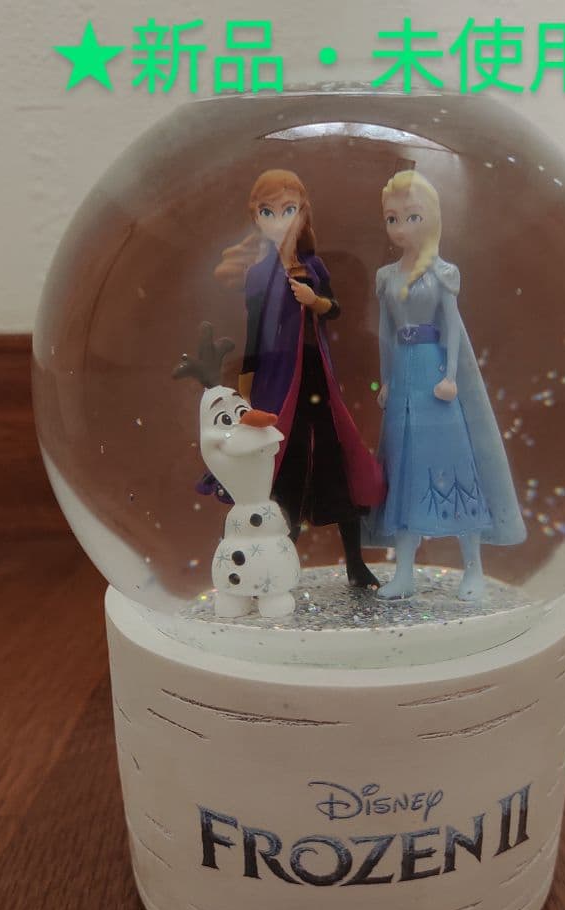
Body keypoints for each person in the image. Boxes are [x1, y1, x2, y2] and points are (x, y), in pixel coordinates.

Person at [213, 169, 384, 589]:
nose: (279, 220)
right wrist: (246, 389)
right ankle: (277, 565)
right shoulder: (258, 275)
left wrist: (315, 300)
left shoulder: (313, 266)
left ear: (303, 214)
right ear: (256, 218)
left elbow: (335, 309)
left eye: (288, 209)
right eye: (268, 211)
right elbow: (254, 335)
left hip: (317, 378)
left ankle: (355, 563)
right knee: (283, 466)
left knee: (334, 460)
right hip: (277, 381)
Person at [369, 169, 526, 600]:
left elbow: (452, 326)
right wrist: (386, 380)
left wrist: (452, 376)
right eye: (392, 218)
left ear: (432, 218)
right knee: (402, 468)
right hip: (403, 377)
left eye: (412, 217)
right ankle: (404, 571)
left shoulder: (442, 273)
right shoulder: (387, 277)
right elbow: (385, 334)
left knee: (453, 466)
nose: (400, 227)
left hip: (434, 373)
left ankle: (473, 568)